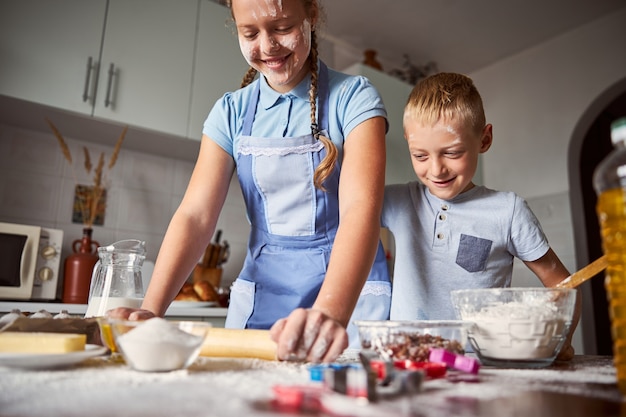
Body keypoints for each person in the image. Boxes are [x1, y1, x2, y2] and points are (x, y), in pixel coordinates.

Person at [108, 0, 391, 363]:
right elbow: (195, 216)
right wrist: (151, 309)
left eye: (283, 28)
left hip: (348, 292)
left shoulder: (353, 97)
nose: (268, 46)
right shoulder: (230, 113)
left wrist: (332, 312)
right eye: (250, 33)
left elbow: (360, 208)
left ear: (312, 16)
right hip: (263, 292)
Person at [381, 72, 581, 359]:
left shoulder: (507, 210)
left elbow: (564, 286)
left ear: (484, 139)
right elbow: (341, 209)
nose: (436, 170)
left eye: (452, 152)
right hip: (410, 364)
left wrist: (562, 340)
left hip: (483, 367)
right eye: (421, 156)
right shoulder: (399, 201)